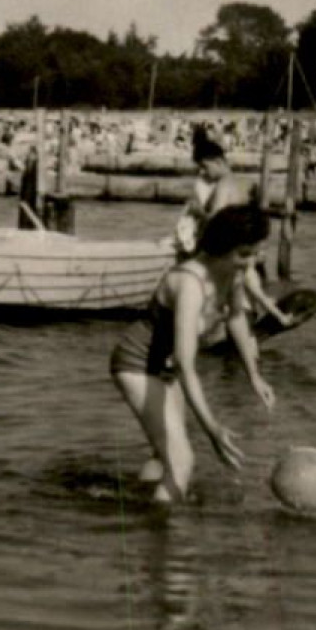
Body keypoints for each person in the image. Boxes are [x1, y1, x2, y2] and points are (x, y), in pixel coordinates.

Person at [110, 206, 272, 504]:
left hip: (166, 366)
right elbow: (186, 366)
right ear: (222, 248)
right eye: (244, 254)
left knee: (165, 455)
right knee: (183, 461)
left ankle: (140, 510)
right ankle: (161, 540)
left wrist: (254, 374)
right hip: (138, 363)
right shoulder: (190, 283)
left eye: (255, 253)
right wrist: (212, 430)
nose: (250, 262)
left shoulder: (232, 272)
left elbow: (236, 317)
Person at [175, 133, 294, 334]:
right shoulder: (243, 183)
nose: (203, 173)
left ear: (218, 161)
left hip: (226, 249)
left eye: (205, 167)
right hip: (244, 246)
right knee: (248, 286)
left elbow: (217, 219)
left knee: (226, 290)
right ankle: (270, 315)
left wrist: (198, 212)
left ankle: (204, 331)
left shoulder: (223, 185)